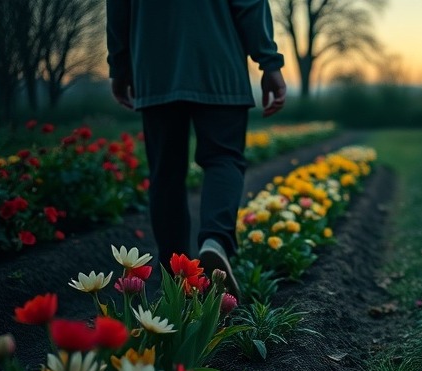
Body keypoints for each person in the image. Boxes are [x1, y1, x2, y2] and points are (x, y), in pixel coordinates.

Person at [106, 0, 287, 299]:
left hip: (155, 67)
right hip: (219, 64)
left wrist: (120, 65)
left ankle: (177, 282)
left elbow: (118, 7)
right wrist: (268, 62)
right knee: (223, 157)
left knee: (166, 173)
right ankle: (215, 241)